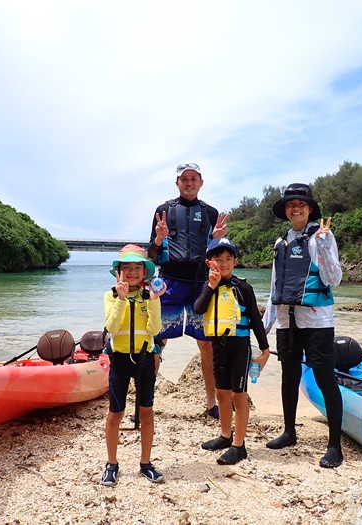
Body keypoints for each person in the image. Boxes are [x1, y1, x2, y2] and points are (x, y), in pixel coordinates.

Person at [262, 183, 344, 468]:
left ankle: (335, 445)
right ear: (286, 211)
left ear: (310, 209)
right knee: (289, 375)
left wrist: (322, 247)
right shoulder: (280, 243)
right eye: (290, 203)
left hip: (317, 321)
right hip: (287, 321)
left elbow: (334, 279)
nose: (295, 207)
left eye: (301, 203)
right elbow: (275, 287)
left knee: (324, 378)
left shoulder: (322, 236)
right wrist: (265, 329)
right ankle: (289, 432)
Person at [147, 162, 229, 419]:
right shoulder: (164, 211)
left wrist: (215, 238)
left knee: (207, 345)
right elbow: (151, 254)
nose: (189, 182)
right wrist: (159, 239)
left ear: (201, 182)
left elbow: (218, 256)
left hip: (200, 285)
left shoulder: (211, 213)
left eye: (194, 178)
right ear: (177, 183)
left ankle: (211, 404)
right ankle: (145, 403)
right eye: (184, 179)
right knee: (157, 341)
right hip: (169, 282)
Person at [193, 237, 270, 465]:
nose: (224, 263)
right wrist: (211, 286)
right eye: (218, 259)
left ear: (235, 261)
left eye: (228, 259)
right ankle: (225, 436)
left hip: (239, 347)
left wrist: (265, 350)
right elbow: (198, 308)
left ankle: (239, 445)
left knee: (238, 395)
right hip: (219, 347)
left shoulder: (243, 288)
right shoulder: (207, 287)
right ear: (210, 263)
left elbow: (256, 320)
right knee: (222, 394)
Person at [101, 244, 167, 486]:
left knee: (147, 412)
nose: (132, 272)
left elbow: (154, 329)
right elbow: (112, 327)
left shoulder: (149, 296)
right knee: (115, 413)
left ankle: (146, 463)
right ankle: (112, 464)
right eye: (126, 268)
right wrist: (120, 298)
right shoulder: (110, 295)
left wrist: (154, 301)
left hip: (144, 359)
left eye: (137, 268)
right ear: (118, 271)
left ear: (145, 272)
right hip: (119, 360)